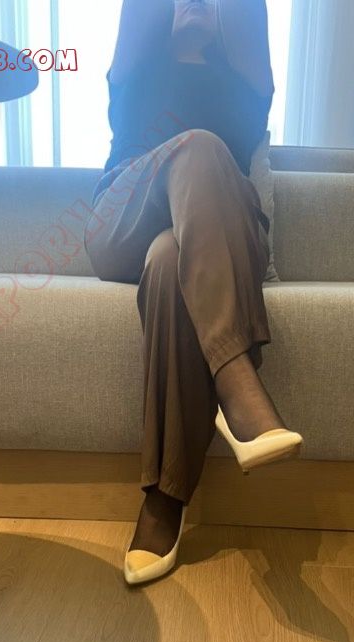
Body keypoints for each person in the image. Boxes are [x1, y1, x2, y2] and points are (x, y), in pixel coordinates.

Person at [85, 0, 302, 583]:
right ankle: (235, 377)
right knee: (199, 144)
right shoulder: (136, 64)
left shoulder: (248, 77)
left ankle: (165, 500)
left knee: (168, 263)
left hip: (219, 234)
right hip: (125, 215)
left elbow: (248, 18)